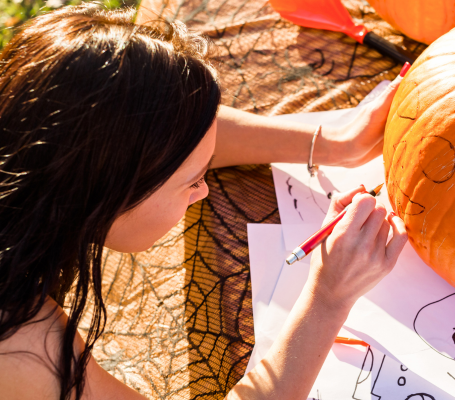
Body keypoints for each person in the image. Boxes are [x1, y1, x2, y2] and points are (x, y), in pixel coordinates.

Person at [0, 3, 407, 400]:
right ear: (109, 189)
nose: (204, 190)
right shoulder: (21, 343)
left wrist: (333, 143)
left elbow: (168, 128)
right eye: (193, 181)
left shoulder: (32, 131)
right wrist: (327, 299)